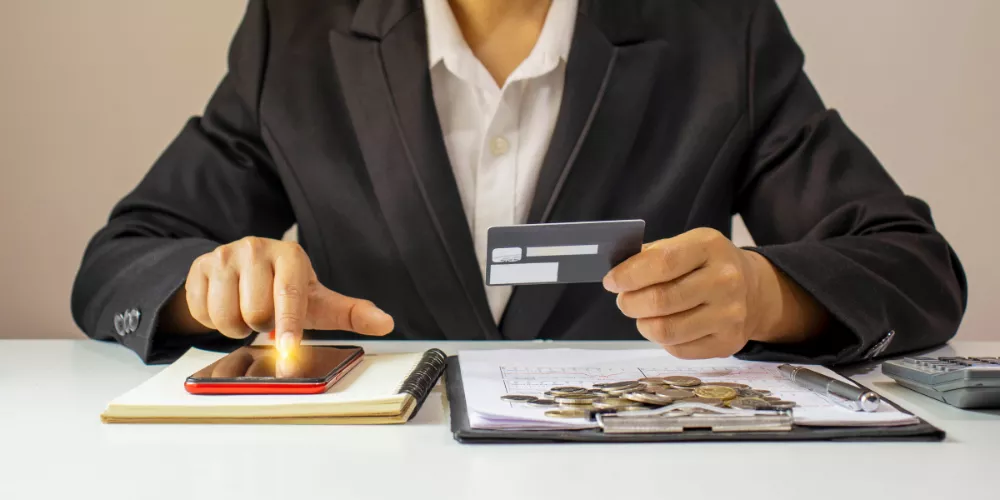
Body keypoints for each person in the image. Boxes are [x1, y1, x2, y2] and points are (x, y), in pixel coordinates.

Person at [72, 0, 966, 366]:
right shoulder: (298, 30)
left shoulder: (717, 26)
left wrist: (769, 298)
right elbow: (122, 261)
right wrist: (209, 287)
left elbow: (915, 270)